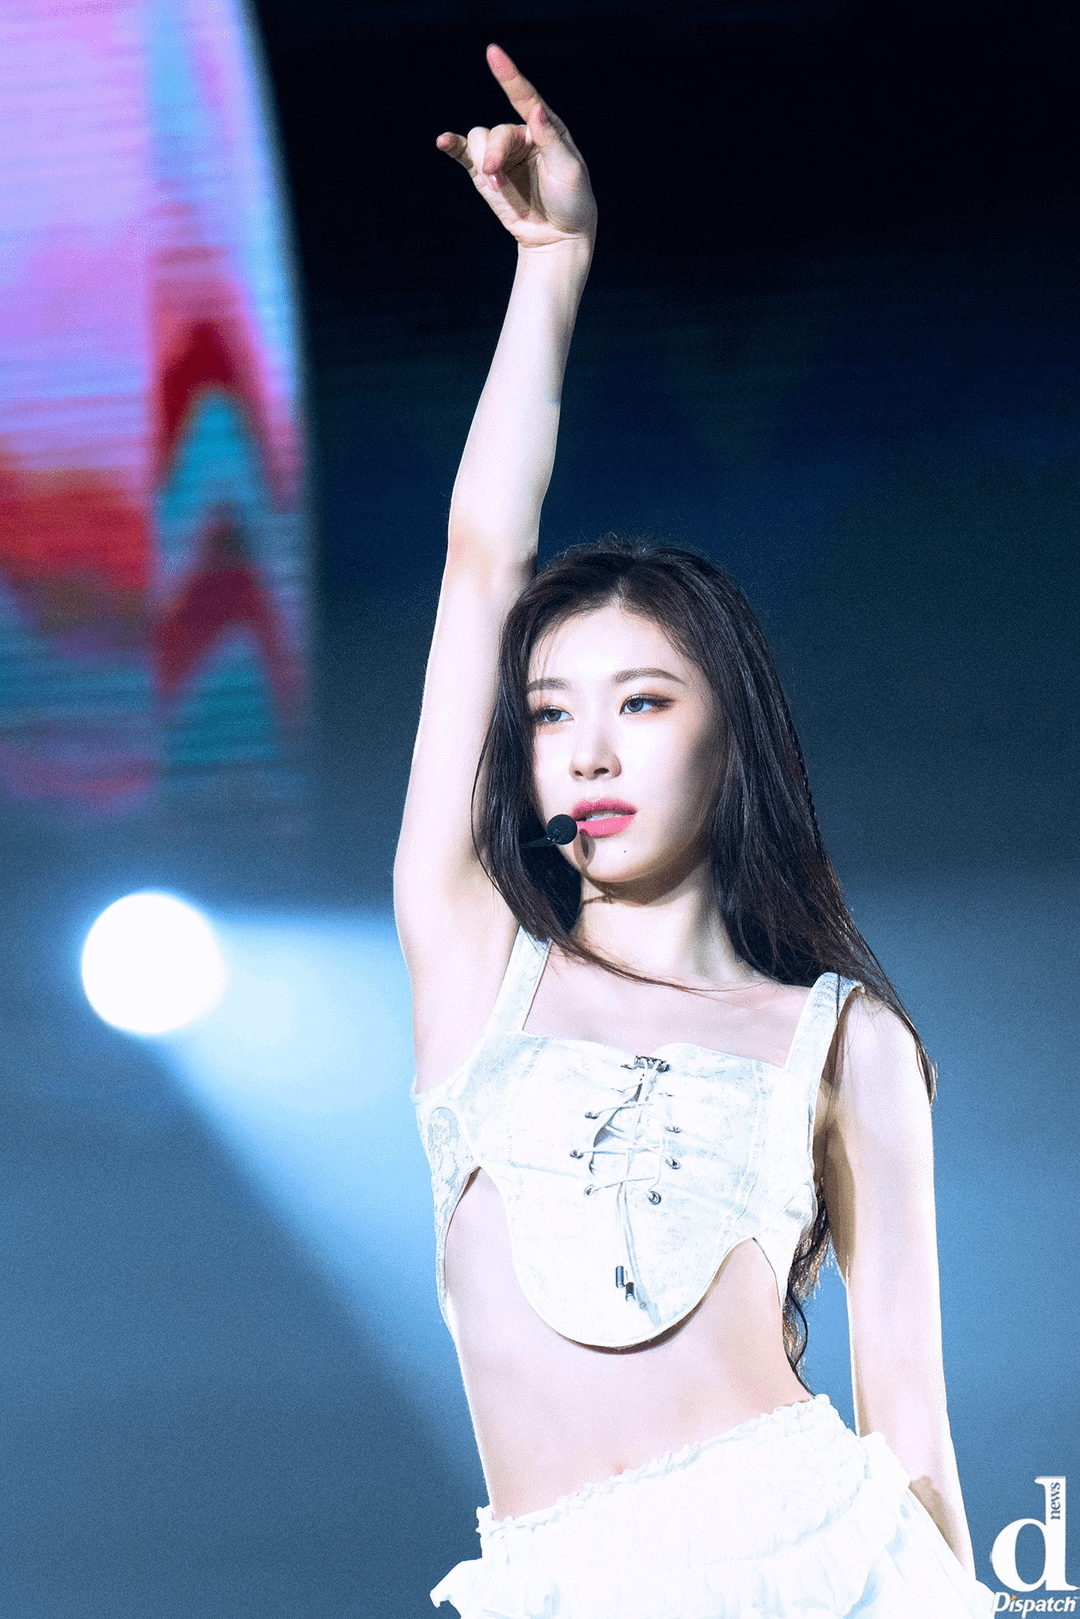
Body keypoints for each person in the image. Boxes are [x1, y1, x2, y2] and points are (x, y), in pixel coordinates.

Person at [394, 43, 995, 1619]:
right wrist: (552, 267)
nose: (587, 746)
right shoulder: (475, 962)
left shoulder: (843, 1039)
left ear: (731, 734)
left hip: (822, 1569)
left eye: (643, 701)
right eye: (550, 710)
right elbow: (479, 560)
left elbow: (913, 1427)